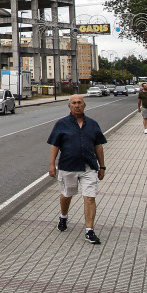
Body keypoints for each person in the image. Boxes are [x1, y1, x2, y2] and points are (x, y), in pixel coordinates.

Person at [47, 94, 107, 245]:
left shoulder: (93, 124)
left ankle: (89, 230)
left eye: (79, 102)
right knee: (67, 195)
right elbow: (55, 145)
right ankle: (63, 216)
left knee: (90, 197)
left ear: (84, 105)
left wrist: (102, 166)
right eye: (74, 103)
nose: (77, 105)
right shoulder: (61, 124)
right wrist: (51, 165)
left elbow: (98, 146)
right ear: (70, 106)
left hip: (89, 167)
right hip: (68, 166)